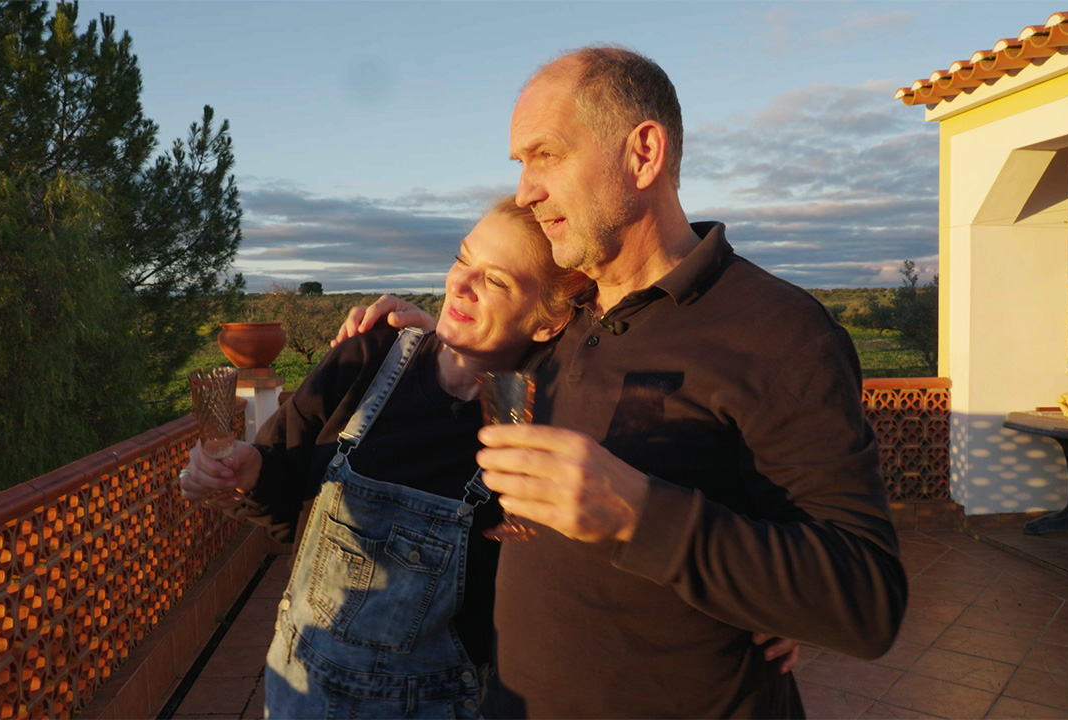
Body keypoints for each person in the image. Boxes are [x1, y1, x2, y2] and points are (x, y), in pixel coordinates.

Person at [337, 46, 908, 718]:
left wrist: (639, 513)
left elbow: (866, 599)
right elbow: (485, 353)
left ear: (643, 154)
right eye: (521, 164)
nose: (526, 190)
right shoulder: (561, 321)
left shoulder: (781, 333)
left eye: (546, 155)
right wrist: (435, 330)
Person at [182, 197, 801, 719]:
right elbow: (286, 503)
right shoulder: (364, 360)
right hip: (300, 693)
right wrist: (245, 473)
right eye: (462, 258)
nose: (460, 284)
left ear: (548, 322)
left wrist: (748, 601)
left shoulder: (547, 420)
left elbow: (636, 526)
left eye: (496, 280)